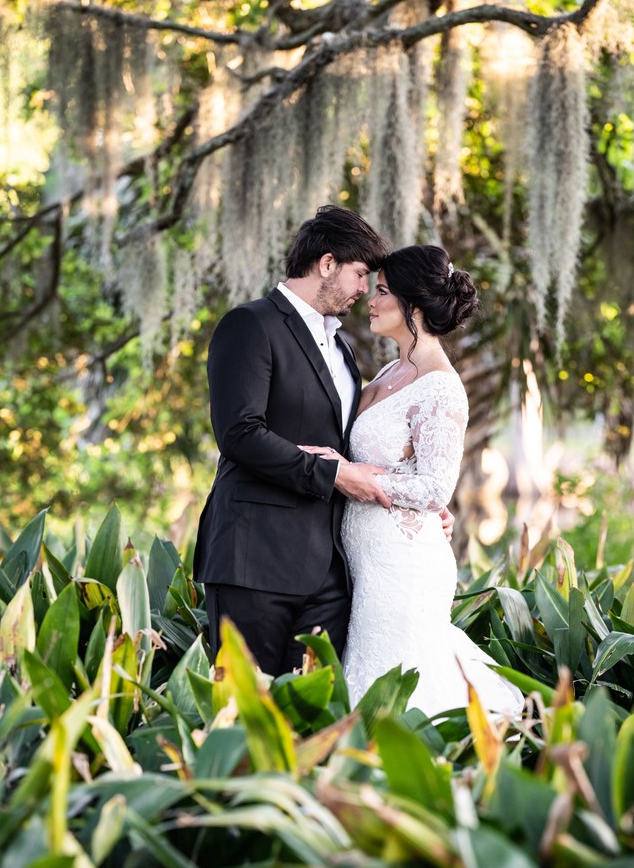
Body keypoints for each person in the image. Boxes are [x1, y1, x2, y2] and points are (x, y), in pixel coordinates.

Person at [194, 205, 455, 676]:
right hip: (255, 560)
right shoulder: (250, 325)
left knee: (317, 729)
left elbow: (353, 446)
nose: (364, 291)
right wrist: (339, 474)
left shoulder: (342, 350)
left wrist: (416, 493)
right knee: (249, 721)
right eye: (361, 275)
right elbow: (240, 434)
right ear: (328, 263)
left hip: (334, 572)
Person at [301, 244, 524, 718]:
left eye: (381, 291)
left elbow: (435, 488)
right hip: (366, 560)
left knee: (396, 690)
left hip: (403, 566)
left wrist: (350, 475)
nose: (370, 300)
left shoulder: (441, 387)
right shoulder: (391, 370)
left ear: (414, 307)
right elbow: (400, 468)